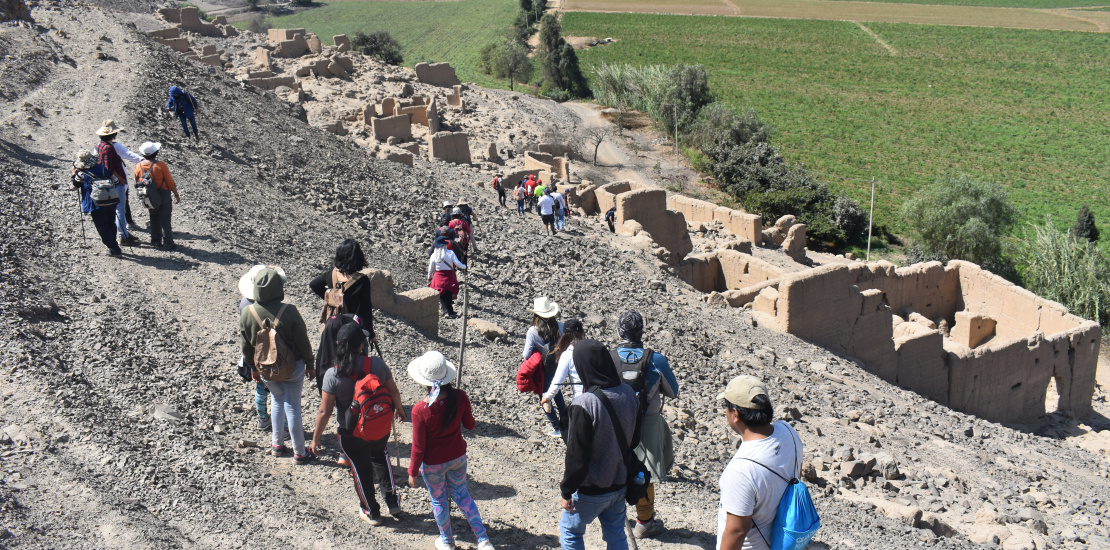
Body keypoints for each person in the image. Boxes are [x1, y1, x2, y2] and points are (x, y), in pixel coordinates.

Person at [311, 323, 408, 525]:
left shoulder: (332, 375)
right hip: (378, 426)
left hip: (350, 431)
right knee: (381, 456)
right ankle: (392, 502)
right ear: (361, 346)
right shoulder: (378, 365)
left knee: (360, 470)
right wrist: (399, 409)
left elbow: (324, 411)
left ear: (338, 345)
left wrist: (316, 437)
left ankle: (371, 511)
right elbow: (394, 391)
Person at [407, 351, 495, 550]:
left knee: (439, 500)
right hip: (457, 457)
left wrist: (412, 472)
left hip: (433, 464)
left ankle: (447, 541)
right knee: (463, 494)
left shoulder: (419, 410)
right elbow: (470, 425)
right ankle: (483, 540)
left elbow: (418, 448)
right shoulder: (460, 397)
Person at [559, 339, 638, 550]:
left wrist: (567, 491)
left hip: (590, 489)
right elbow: (635, 440)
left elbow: (577, 456)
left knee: (571, 532)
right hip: (620, 484)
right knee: (616, 535)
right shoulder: (629, 394)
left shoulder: (584, 403)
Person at [238, 266, 317, 464]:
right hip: (293, 368)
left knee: (276, 400)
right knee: (292, 405)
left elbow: (246, 347)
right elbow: (303, 341)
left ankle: (277, 445)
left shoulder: (247, 313)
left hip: (265, 370)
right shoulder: (289, 311)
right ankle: (300, 452)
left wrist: (253, 369)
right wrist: (310, 363)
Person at [716, 375, 804, 550]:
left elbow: (737, 531)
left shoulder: (740, 470)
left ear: (735, 414)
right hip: (780, 541)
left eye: (726, 406)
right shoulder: (788, 432)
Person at [614, 311, 679, 539]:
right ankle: (644, 521)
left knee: (617, 464)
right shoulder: (656, 359)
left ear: (619, 332)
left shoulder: (610, 358)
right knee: (646, 472)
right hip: (648, 423)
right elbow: (673, 391)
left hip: (618, 421)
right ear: (641, 331)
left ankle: (615, 516)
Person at [310, 239, 376, 388]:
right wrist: (370, 333)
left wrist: (331, 296)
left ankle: (328, 386)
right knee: (355, 357)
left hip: (331, 324)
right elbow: (366, 308)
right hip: (351, 326)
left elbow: (313, 284)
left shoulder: (331, 274)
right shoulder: (362, 281)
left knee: (328, 353)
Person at [238, 265, 280, 431]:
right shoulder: (270, 305)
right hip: (274, 352)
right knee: (279, 393)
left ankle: (263, 418)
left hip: (256, 352)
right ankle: (282, 426)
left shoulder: (244, 304)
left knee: (260, 388)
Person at [95, 120, 143, 243]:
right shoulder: (112, 147)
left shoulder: (98, 147)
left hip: (106, 184)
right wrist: (145, 161)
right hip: (116, 183)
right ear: (113, 135)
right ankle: (124, 236)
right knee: (120, 209)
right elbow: (128, 156)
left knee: (115, 209)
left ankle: (123, 233)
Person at [522, 297, 564, 437]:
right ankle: (567, 424)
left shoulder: (533, 331)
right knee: (557, 393)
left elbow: (526, 354)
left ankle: (557, 427)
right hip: (558, 365)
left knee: (545, 397)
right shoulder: (561, 326)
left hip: (543, 369)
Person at [71, 150, 123, 257]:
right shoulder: (105, 168)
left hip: (95, 203)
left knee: (102, 226)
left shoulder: (81, 174)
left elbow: (73, 187)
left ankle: (114, 248)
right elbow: (116, 182)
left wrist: (73, 176)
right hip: (111, 200)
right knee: (110, 222)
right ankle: (113, 243)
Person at [133, 142, 180, 250]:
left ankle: (155, 241)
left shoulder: (138, 166)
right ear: (156, 152)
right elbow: (170, 182)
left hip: (149, 196)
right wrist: (176, 195)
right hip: (163, 194)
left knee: (153, 217)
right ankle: (168, 243)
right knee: (165, 219)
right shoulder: (161, 165)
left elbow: (138, 182)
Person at [542, 318, 585, 414]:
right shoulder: (592, 348)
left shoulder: (567, 354)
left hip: (581, 400)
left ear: (565, 335)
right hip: (600, 397)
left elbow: (557, 382)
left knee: (568, 425)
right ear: (582, 332)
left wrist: (546, 397)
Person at [428, 236, 467, 319]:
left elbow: (431, 268)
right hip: (449, 275)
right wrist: (464, 266)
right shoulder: (450, 253)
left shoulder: (434, 255)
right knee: (449, 293)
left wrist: (429, 277)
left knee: (441, 294)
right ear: (445, 245)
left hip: (438, 276)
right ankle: (450, 311)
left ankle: (446, 311)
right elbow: (457, 263)